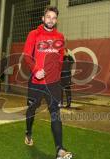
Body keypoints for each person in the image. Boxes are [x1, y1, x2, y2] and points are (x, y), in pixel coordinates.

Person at [23, 6, 73, 159]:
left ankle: (60, 150)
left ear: (56, 20)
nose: (51, 20)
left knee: (55, 114)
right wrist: (35, 70)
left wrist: (57, 76)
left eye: (54, 17)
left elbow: (59, 58)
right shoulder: (34, 34)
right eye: (48, 17)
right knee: (31, 110)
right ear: (43, 18)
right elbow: (26, 55)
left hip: (53, 84)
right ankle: (28, 133)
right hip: (36, 82)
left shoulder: (60, 37)